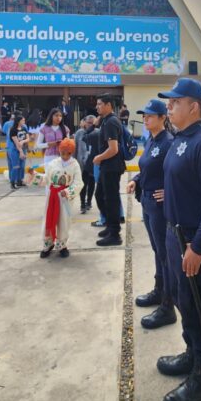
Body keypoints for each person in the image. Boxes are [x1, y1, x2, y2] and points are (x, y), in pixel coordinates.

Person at [156, 78, 201, 401]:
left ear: (193, 107)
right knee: (186, 302)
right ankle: (191, 354)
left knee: (200, 307)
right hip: (176, 236)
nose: (168, 106)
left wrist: (198, 246)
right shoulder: (180, 139)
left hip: (194, 242)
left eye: (174, 102)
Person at [127, 99, 177, 330]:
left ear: (162, 118)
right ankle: (159, 290)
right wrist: (136, 180)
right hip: (146, 200)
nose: (145, 119)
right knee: (158, 250)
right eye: (143, 115)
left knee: (165, 254)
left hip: (159, 206)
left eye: (149, 115)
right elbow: (148, 168)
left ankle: (168, 306)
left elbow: (178, 172)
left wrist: (170, 191)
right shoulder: (151, 140)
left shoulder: (169, 142)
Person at [27, 138, 81, 258]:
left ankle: (62, 245)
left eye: (68, 153)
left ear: (72, 152)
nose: (65, 156)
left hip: (64, 198)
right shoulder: (53, 163)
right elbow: (47, 178)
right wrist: (34, 174)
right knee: (49, 219)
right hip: (52, 196)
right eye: (62, 153)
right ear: (59, 151)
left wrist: (68, 191)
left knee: (63, 221)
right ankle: (48, 244)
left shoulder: (75, 164)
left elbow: (78, 183)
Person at [93, 94, 125, 247]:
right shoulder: (106, 120)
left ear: (108, 105)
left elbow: (113, 149)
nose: (97, 107)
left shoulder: (111, 122)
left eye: (99, 104)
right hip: (107, 167)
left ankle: (115, 234)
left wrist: (99, 157)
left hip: (111, 167)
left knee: (111, 200)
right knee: (100, 196)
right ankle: (110, 226)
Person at [75, 116, 95, 212]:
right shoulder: (79, 133)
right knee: (83, 183)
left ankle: (89, 201)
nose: (90, 124)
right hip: (81, 163)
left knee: (91, 183)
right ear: (84, 123)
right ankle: (82, 203)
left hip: (92, 162)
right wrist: (74, 161)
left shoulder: (96, 132)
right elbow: (75, 147)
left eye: (92, 123)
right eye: (88, 122)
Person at [8, 115, 30, 190]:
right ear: (18, 121)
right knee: (16, 166)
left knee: (22, 166)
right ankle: (12, 182)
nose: (24, 121)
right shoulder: (13, 130)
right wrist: (21, 152)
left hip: (23, 148)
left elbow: (28, 138)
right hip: (15, 149)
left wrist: (23, 141)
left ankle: (20, 180)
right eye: (23, 120)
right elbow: (16, 142)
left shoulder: (24, 128)